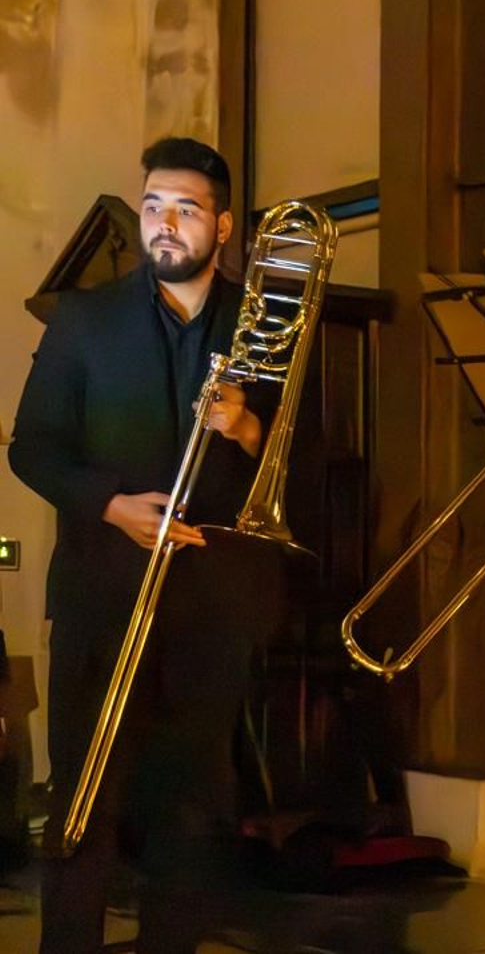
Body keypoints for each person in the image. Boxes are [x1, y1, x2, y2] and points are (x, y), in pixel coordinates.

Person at [11, 137, 283, 954]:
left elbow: (296, 451)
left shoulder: (261, 326)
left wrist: (248, 427)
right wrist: (110, 505)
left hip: (211, 609)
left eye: (186, 208)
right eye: (153, 205)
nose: (164, 222)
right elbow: (33, 447)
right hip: (102, 600)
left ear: (223, 226)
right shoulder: (84, 318)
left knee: (192, 817)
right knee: (83, 809)